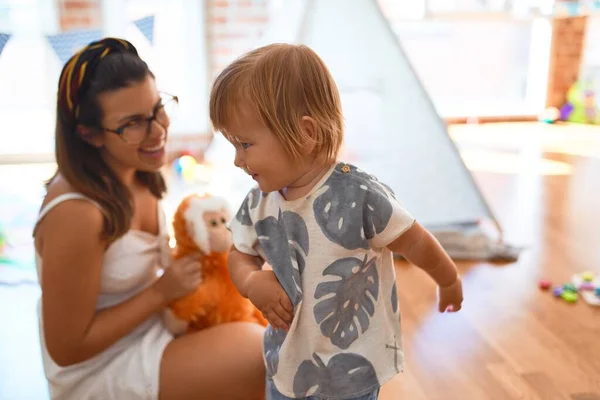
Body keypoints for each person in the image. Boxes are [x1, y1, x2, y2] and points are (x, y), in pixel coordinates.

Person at [209, 43, 464, 400]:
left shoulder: (360, 196)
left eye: (246, 144)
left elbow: (415, 241)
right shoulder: (259, 200)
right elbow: (239, 252)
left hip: (351, 375)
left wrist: (448, 278)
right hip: (284, 365)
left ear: (305, 133)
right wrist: (252, 281)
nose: (238, 160)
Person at [33, 37, 266, 400]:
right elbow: (66, 348)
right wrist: (161, 292)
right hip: (101, 367)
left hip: (153, 327)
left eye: (158, 108)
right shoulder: (76, 214)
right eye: (133, 123)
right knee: (259, 353)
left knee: (265, 323)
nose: (158, 130)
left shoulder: (138, 173)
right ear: (89, 134)